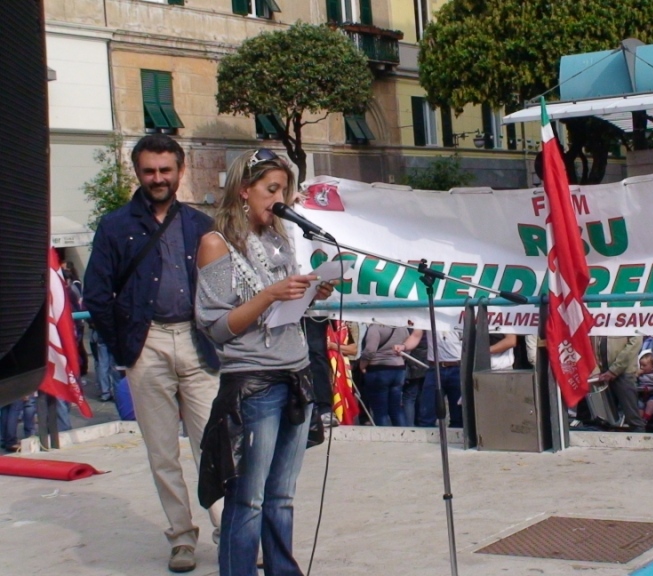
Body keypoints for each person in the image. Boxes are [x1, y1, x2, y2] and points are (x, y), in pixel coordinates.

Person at [83, 134, 221, 573]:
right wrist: (125, 347)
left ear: (180, 171)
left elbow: (222, 286)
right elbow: (96, 295)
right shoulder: (115, 225)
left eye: (165, 170)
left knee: (215, 445)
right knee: (162, 452)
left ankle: (229, 530)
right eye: (149, 171)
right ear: (138, 173)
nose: (158, 178)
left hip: (198, 343)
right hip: (148, 344)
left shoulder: (201, 224)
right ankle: (181, 537)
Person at [194, 148, 333, 576]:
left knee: (282, 495)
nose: (279, 200)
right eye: (271, 190)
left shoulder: (279, 239)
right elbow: (216, 326)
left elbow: (283, 313)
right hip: (254, 381)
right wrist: (271, 294)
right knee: (249, 497)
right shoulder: (216, 244)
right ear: (244, 190)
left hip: (296, 370)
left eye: (284, 192)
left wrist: (311, 293)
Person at [394, 329, 463, 428]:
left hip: (458, 367)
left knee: (458, 417)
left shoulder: (459, 318)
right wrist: (404, 346)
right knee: (426, 416)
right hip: (435, 368)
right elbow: (416, 335)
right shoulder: (427, 318)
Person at [590, 336, 646, 432]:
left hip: (624, 372)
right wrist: (596, 369)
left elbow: (635, 343)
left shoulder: (630, 325)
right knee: (604, 417)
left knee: (632, 417)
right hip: (601, 372)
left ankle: (640, 438)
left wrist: (615, 370)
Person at [358, 324, 410, 426]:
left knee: (380, 411)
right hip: (398, 369)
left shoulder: (375, 327)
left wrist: (362, 365)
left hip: (378, 369)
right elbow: (407, 349)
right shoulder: (402, 328)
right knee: (396, 409)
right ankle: (404, 433)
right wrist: (401, 360)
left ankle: (384, 434)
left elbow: (370, 350)